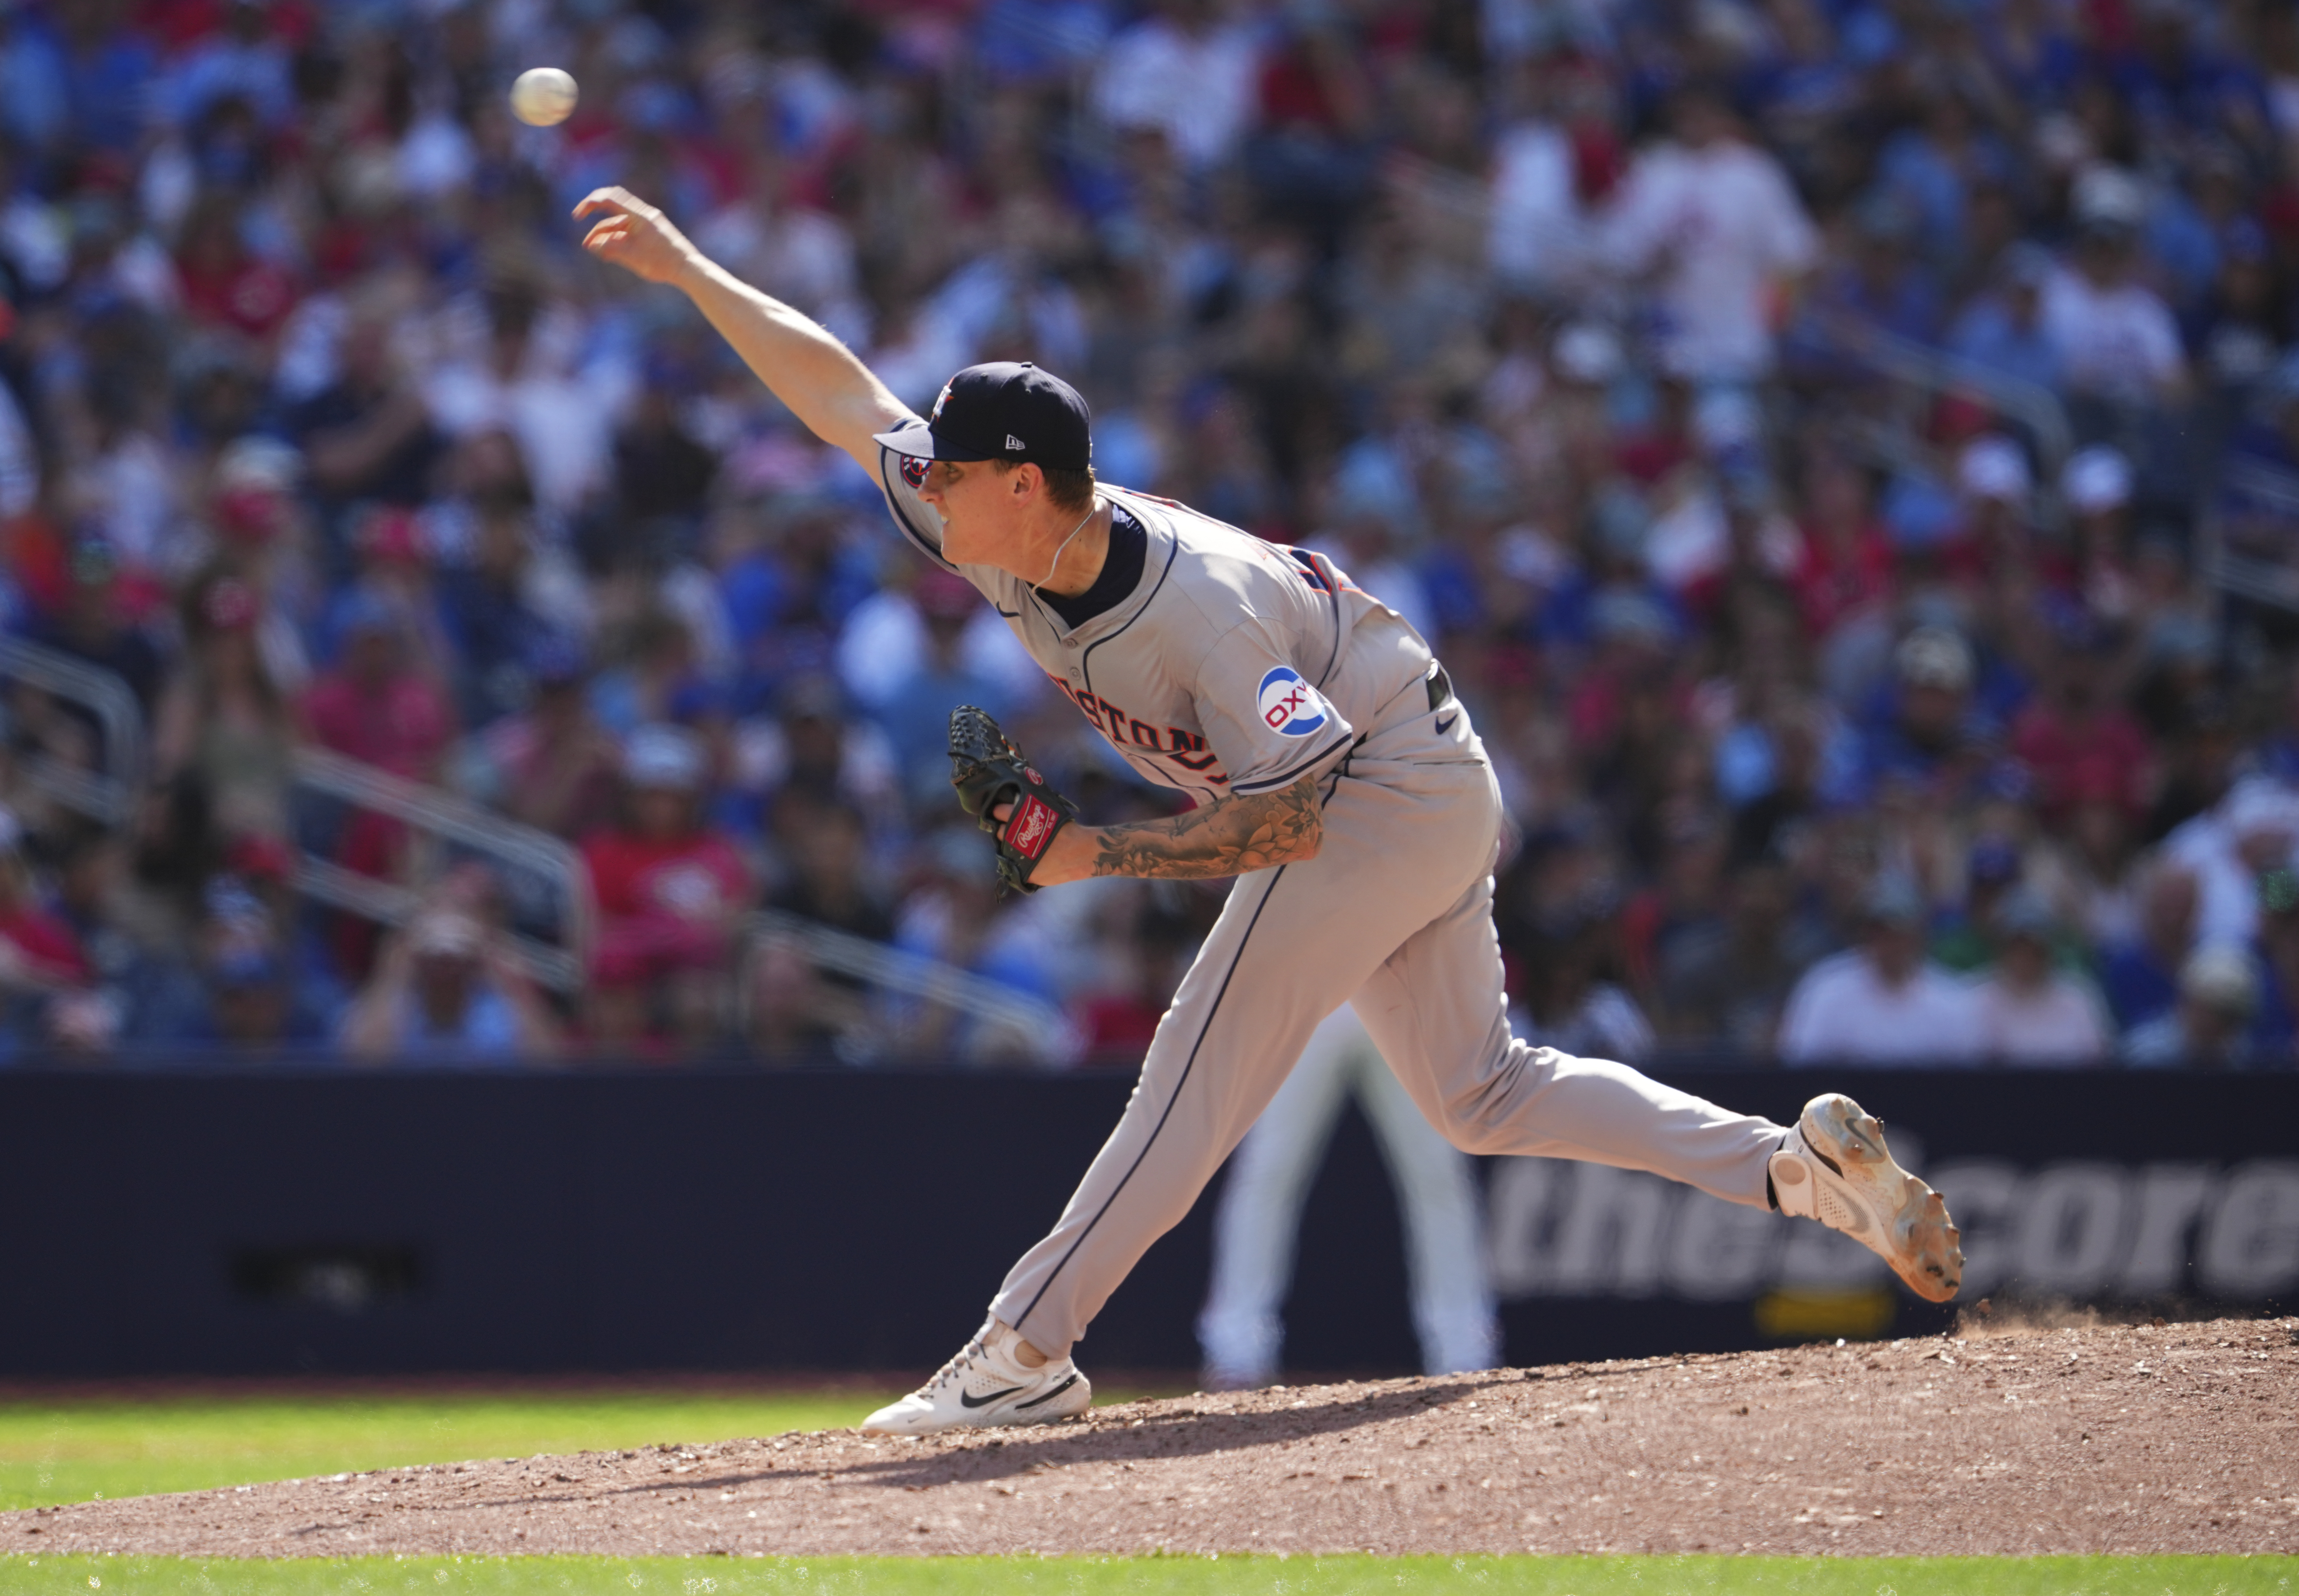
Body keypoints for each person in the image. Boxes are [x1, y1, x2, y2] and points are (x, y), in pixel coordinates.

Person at [573, 185, 1967, 1439]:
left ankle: (1025, 1347)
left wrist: (1095, 856)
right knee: (1480, 1094)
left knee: (1197, 1063)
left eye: (950, 465)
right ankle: (1797, 1176)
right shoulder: (988, 522)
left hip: (1380, 788)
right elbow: (844, 400)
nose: (919, 477)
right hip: (1421, 773)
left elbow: (1294, 823)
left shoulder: (1194, 610)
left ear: (1019, 483)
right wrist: (695, 270)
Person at [1196, 1003, 1499, 1391]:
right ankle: (1235, 1355)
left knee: (1440, 1176)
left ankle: (1465, 1351)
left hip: (1398, 995)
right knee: (1268, 1172)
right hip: (1314, 995)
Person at [1778, 876, 1986, 1066]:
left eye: (1899, 931)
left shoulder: (1951, 998)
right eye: (1880, 931)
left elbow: (1966, 1077)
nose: (1890, 942)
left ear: (1918, 933)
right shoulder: (1825, 988)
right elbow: (1799, 1064)